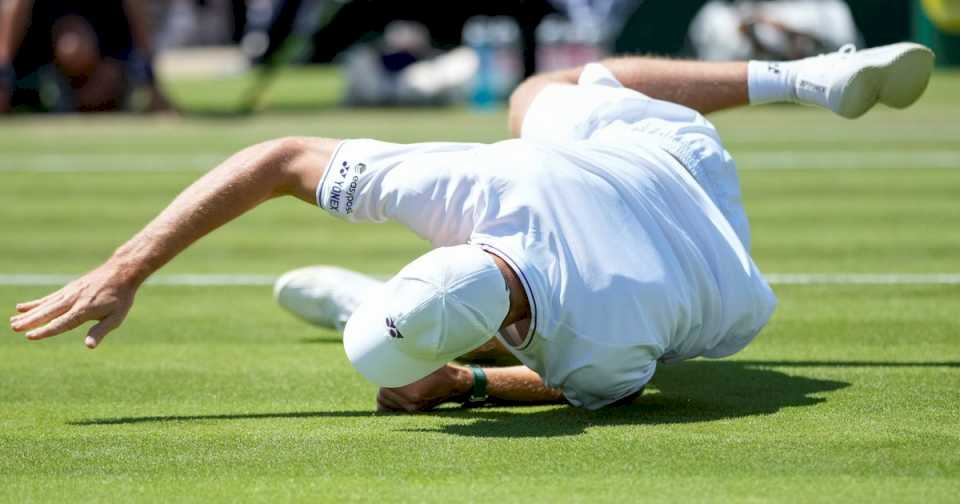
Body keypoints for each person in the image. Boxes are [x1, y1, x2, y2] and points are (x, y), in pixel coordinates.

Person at [9, 43, 934, 412]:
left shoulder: (599, 354)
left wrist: (467, 384)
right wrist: (124, 267)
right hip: (670, 165)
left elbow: (571, 386)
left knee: (539, 93)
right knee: (548, 93)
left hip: (727, 288)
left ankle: (366, 312)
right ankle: (797, 77)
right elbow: (281, 156)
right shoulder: (474, 187)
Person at [0, 0, 171, 113]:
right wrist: (4, 76)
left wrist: (150, 80)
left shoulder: (113, 36)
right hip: (34, 69)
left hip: (111, 56)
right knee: (74, 50)